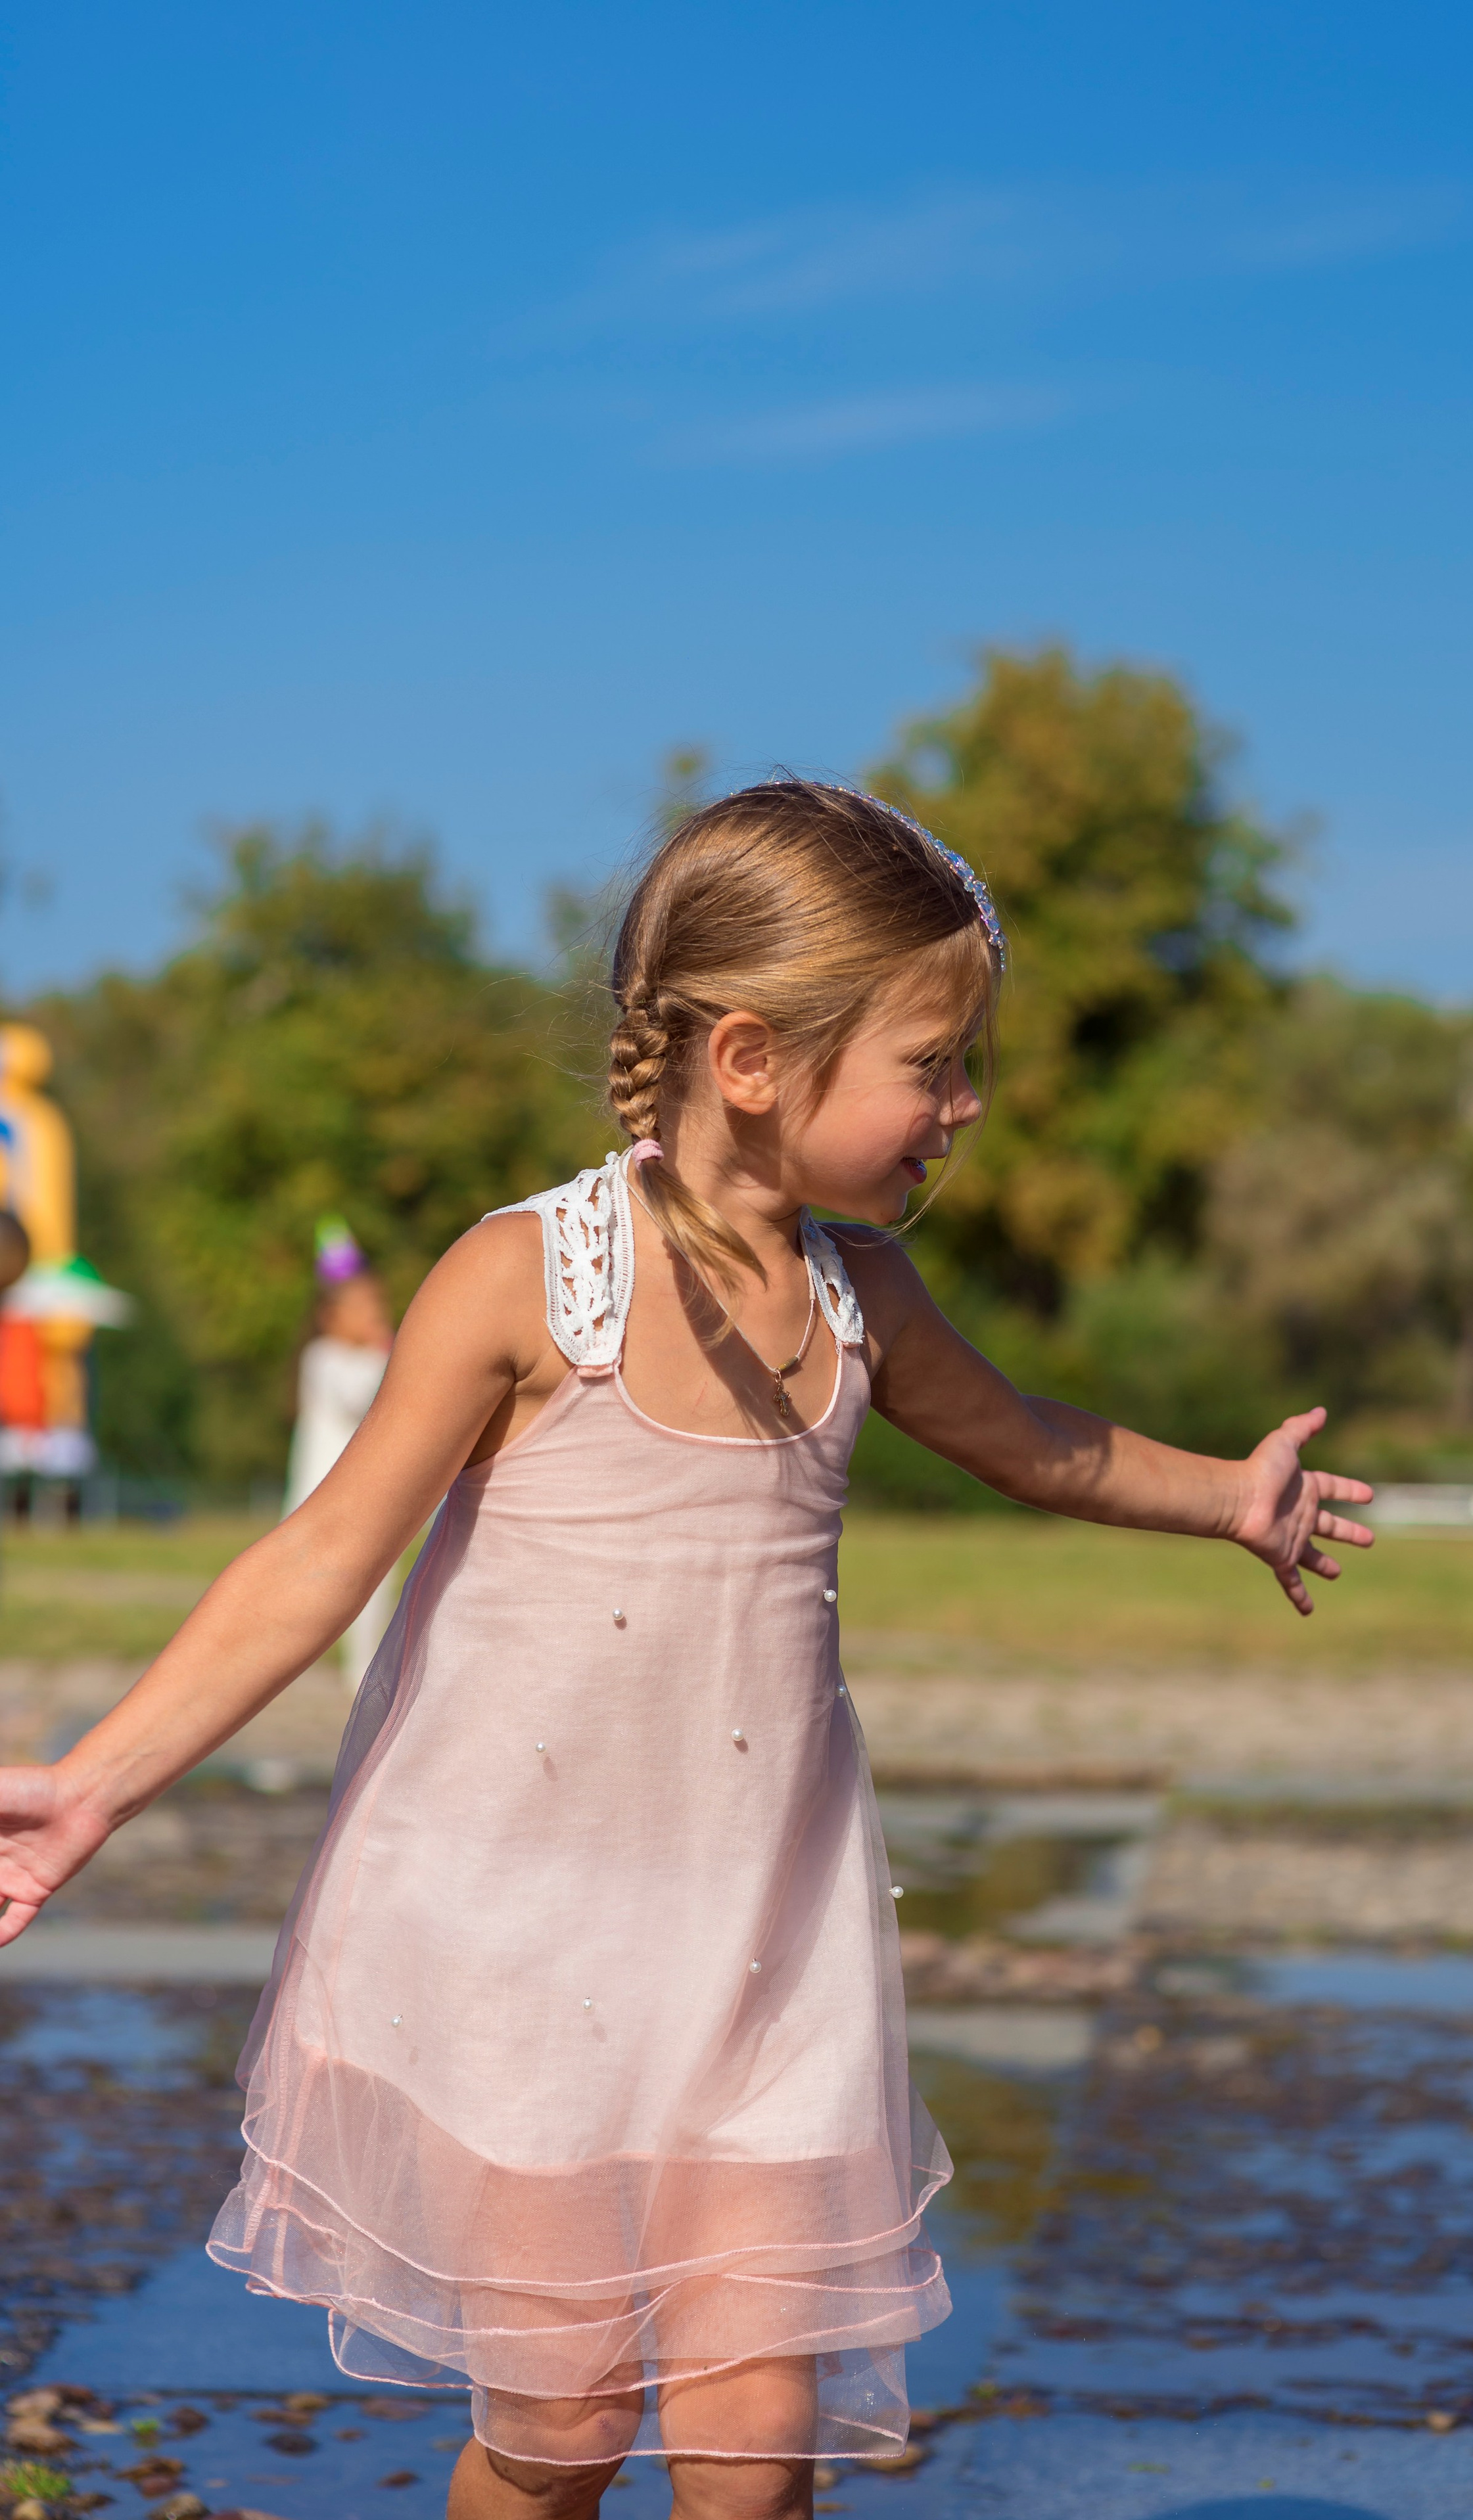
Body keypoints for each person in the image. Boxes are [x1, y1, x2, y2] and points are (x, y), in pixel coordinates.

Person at [0, 783, 1372, 2520]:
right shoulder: (525, 1281)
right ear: (749, 1058)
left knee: (748, 2456)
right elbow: (314, 1561)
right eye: (933, 1064)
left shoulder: (865, 1295)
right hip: (514, 1954)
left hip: (761, 1951)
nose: (967, 1106)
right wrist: (94, 1783)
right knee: (560, 2428)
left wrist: (1228, 1498)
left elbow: (1031, 1438)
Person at [287, 1218, 397, 1687]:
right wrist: (387, 1351)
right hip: (320, 1496)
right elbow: (362, 1395)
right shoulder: (324, 1358)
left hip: (359, 1499)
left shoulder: (368, 1359)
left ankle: (362, 1671)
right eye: (363, 1306)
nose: (375, 1313)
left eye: (378, 1303)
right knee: (301, 1594)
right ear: (331, 1316)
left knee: (373, 1585)